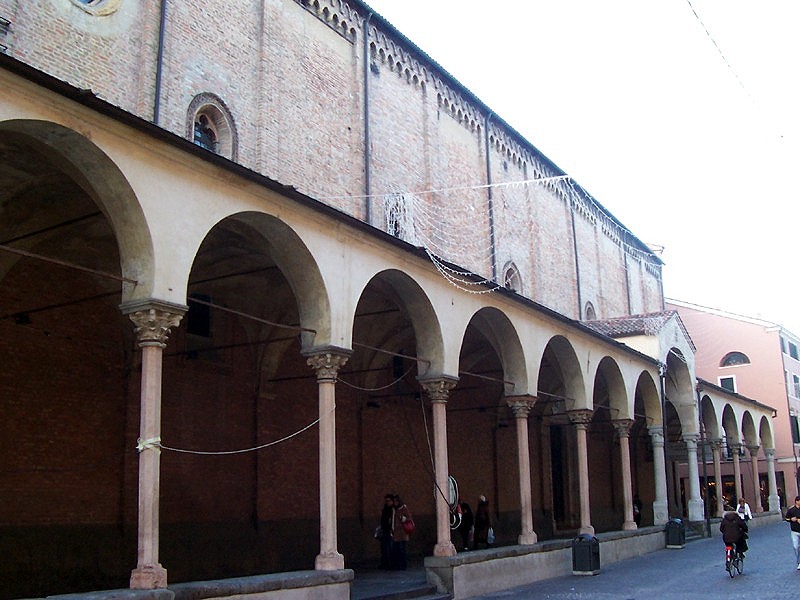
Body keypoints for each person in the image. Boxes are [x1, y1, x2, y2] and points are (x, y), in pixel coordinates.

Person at [391, 494, 413, 570]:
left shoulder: (404, 508)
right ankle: (397, 565)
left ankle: (403, 565)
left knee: (402, 549)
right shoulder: (394, 509)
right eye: (394, 501)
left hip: (402, 532)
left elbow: (409, 518)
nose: (395, 503)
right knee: (396, 549)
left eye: (396, 501)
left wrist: (404, 519)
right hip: (396, 533)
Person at [378, 493, 394, 569]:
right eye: (386, 501)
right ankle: (385, 563)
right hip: (385, 530)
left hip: (391, 531)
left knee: (390, 548)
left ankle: (390, 563)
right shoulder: (385, 509)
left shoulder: (393, 510)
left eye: (389, 501)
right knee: (384, 548)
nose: (387, 502)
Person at [784, 494, 800, 570]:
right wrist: (791, 519)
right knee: (796, 546)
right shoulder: (791, 510)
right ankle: (798, 561)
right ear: (797, 501)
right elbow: (786, 518)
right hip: (794, 531)